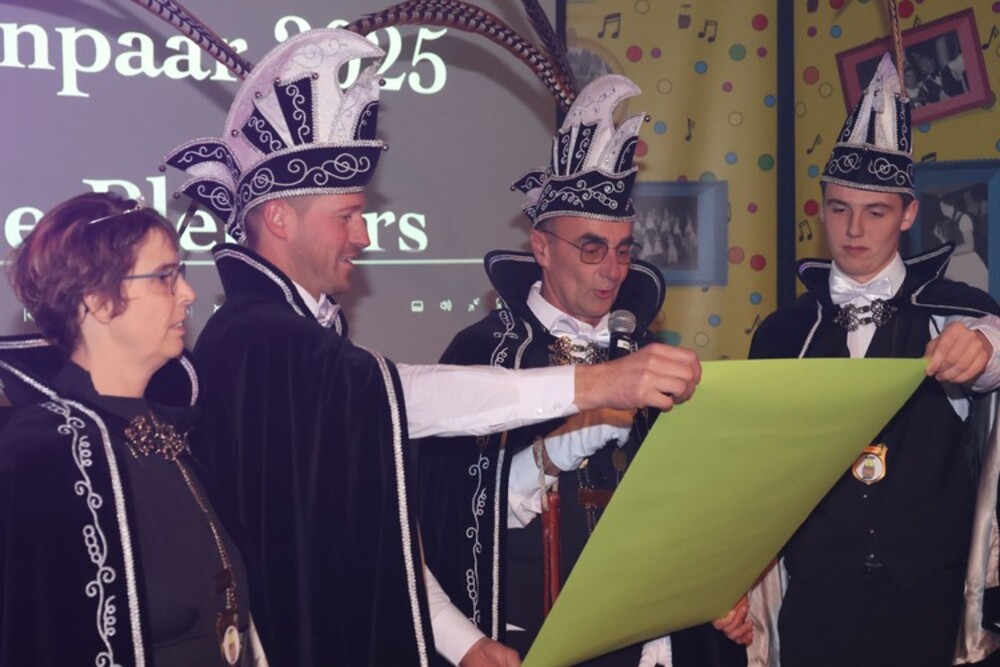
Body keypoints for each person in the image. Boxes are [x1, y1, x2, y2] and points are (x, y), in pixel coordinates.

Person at [164, 29, 700, 667]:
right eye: (346, 215)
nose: (363, 235)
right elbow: (406, 395)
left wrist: (463, 642)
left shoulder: (296, 335)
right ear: (279, 218)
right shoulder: (258, 337)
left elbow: (379, 532)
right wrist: (600, 384)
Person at [417, 74, 750, 667]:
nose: (612, 270)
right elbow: (456, 512)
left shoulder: (646, 352)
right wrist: (557, 450)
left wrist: (715, 590)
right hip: (533, 640)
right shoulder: (484, 354)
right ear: (542, 247)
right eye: (591, 248)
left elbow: (687, 505)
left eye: (622, 250)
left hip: (651, 644)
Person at [746, 53, 1000, 666]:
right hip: (816, 604)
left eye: (876, 211)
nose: (854, 229)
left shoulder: (954, 311)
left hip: (930, 605)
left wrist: (986, 347)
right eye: (839, 209)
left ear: (908, 214)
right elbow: (752, 472)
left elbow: (992, 348)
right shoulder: (783, 333)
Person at [0, 192, 264, 666]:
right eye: (165, 277)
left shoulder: (171, 432)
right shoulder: (46, 451)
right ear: (99, 300)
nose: (188, 293)